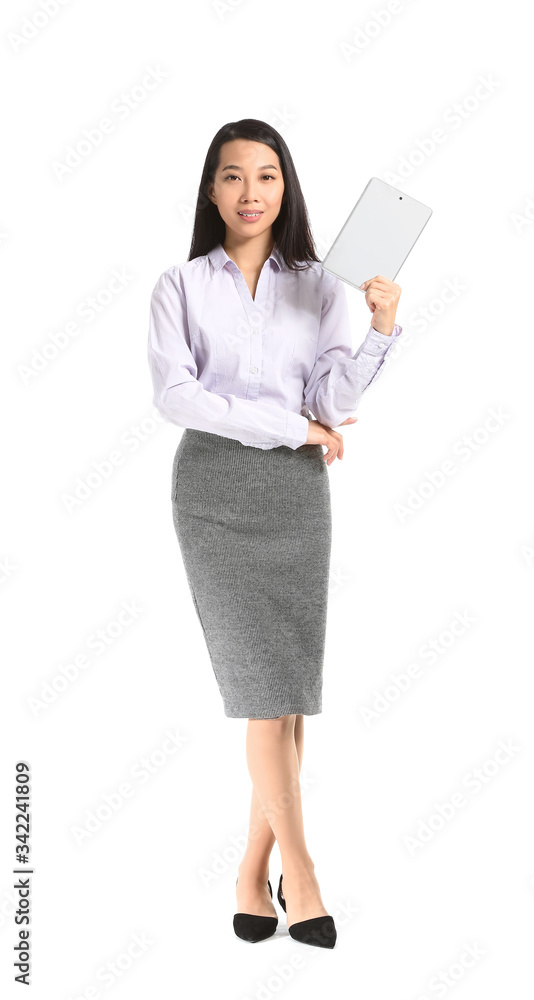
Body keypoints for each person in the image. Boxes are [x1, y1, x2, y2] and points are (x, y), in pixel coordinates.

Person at [147, 118, 402, 949]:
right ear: (210, 190)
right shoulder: (180, 286)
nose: (250, 192)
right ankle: (308, 875)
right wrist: (288, 429)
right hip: (214, 493)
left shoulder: (319, 287)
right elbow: (177, 397)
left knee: (286, 698)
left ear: (285, 187)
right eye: (232, 176)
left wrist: (381, 328)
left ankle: (254, 875)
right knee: (264, 692)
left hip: (295, 498)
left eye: (266, 176)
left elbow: (330, 402)